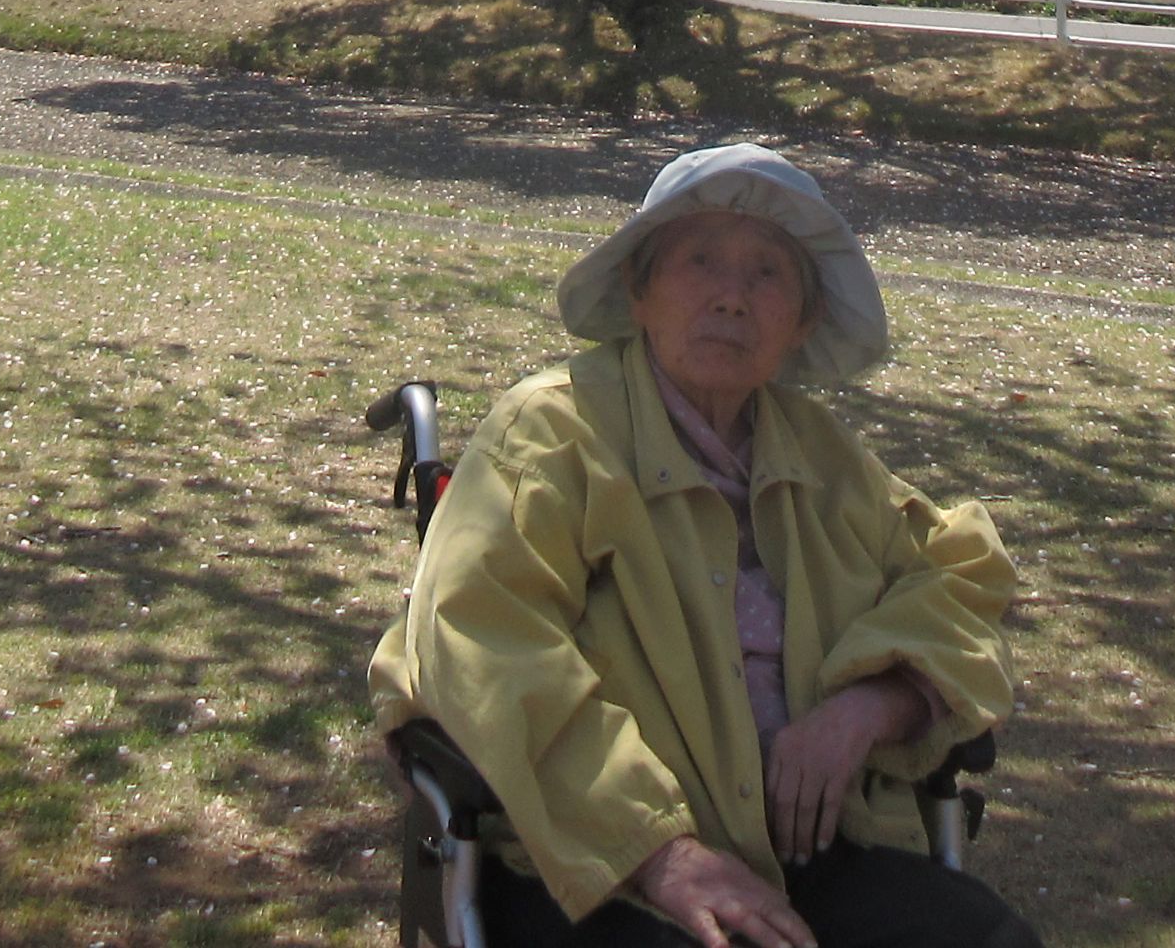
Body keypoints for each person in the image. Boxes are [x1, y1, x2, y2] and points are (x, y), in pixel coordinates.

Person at [375, 144, 1036, 948]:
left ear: (803, 321)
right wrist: (660, 851)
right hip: (597, 862)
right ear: (639, 288)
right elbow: (482, 639)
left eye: (767, 274)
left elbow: (962, 575)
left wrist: (876, 702)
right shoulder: (552, 433)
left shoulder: (821, 454)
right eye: (700, 262)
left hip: (811, 851)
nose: (732, 296)